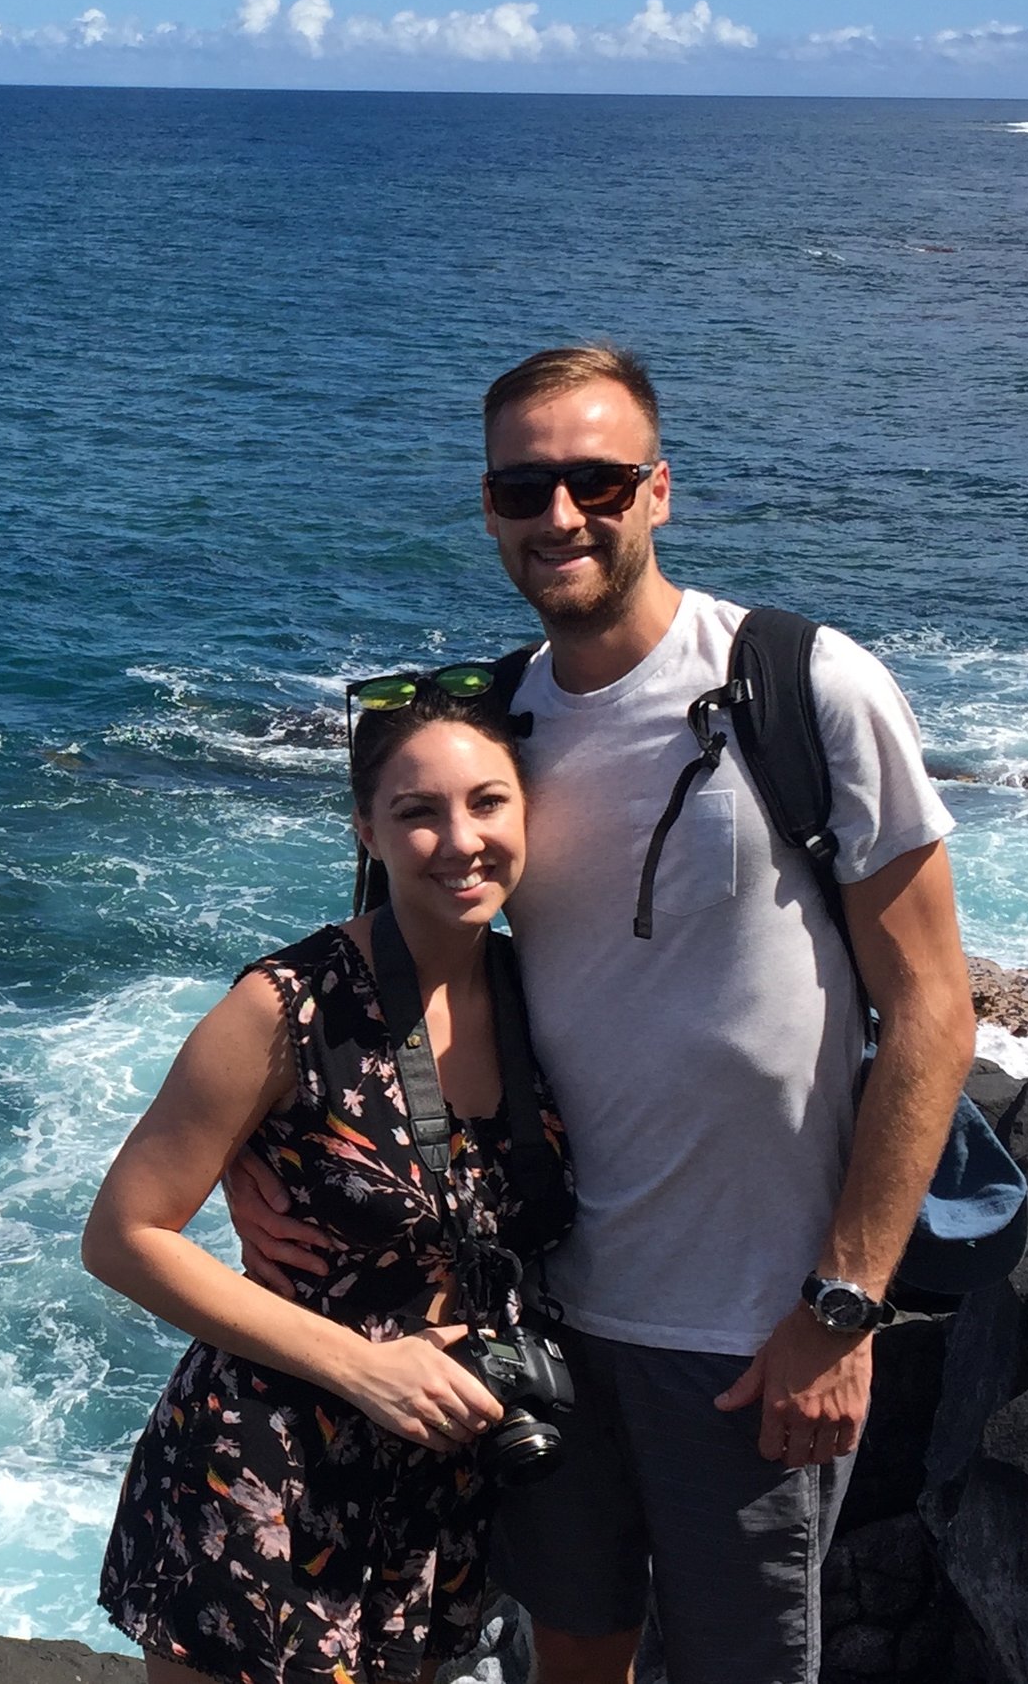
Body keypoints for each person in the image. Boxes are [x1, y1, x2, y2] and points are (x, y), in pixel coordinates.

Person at [227, 344, 976, 1684]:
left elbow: (933, 1006)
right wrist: (244, 1150)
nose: (562, 513)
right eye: (527, 485)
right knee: (568, 1649)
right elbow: (373, 972)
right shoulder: (493, 728)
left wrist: (844, 1306)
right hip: (543, 1314)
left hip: (753, 1333)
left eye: (598, 478)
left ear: (660, 490)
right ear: (491, 504)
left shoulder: (802, 685)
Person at [85, 677, 574, 1684]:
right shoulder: (287, 1007)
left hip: (438, 1497)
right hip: (265, 1477)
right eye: (416, 812)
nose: (461, 838)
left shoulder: (549, 995)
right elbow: (124, 1235)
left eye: (487, 801)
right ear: (366, 828)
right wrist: (358, 1364)